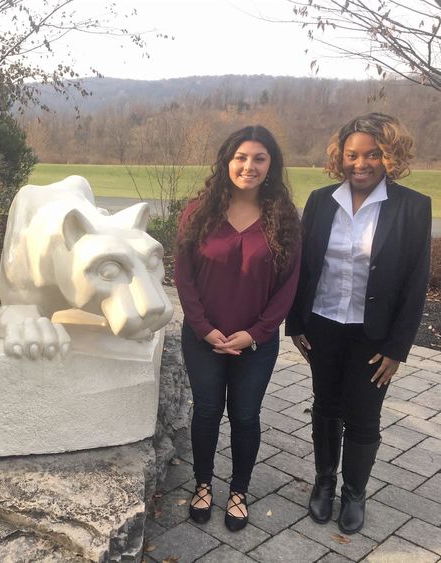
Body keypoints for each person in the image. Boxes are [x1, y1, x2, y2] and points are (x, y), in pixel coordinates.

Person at [286, 113, 431, 535]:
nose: (361, 163)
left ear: (389, 156)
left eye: (372, 154)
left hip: (374, 335)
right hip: (323, 325)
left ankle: (354, 492)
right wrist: (296, 321)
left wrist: (398, 348)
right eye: (352, 155)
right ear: (340, 157)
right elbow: (303, 267)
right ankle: (324, 482)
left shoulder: (412, 207)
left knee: (365, 415)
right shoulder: (319, 200)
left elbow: (415, 281)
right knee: (326, 405)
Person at [174, 125, 301, 532]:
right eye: (241, 157)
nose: (249, 166)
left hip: (255, 344)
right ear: (227, 161)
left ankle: (240, 491)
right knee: (207, 413)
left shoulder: (284, 219)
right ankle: (203, 484)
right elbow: (184, 276)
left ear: (271, 165)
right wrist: (203, 327)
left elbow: (288, 287)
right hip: (202, 340)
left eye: (259, 158)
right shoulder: (198, 212)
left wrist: (257, 333)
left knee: (246, 416)